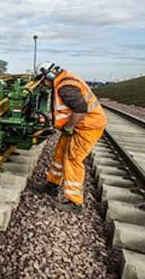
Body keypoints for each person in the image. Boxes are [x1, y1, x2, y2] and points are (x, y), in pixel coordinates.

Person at [35, 62, 107, 213]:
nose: (44, 85)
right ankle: (52, 185)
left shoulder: (65, 87)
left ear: (49, 75)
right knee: (60, 152)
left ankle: (75, 203)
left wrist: (69, 127)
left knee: (73, 158)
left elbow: (80, 109)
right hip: (79, 125)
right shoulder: (63, 80)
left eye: (43, 81)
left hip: (88, 127)